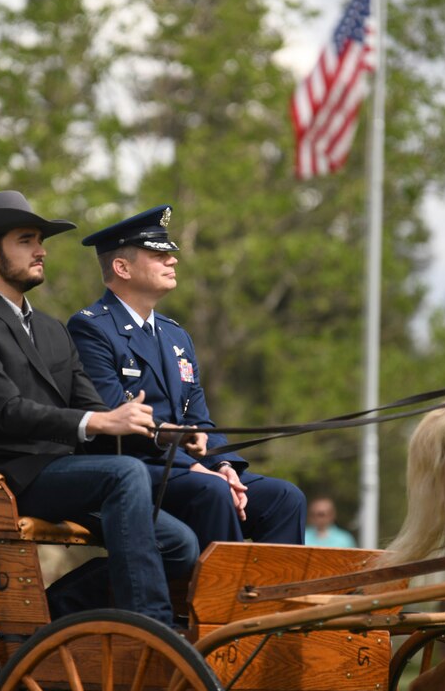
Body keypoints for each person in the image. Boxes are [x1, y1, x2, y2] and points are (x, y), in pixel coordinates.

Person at [0, 190, 198, 627]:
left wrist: (160, 431)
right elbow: (7, 412)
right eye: (26, 240)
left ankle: (59, 610)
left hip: (63, 472)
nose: (40, 251)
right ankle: (151, 626)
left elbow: (91, 406)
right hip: (5, 475)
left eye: (40, 240)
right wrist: (99, 420)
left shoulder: (52, 329)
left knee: (180, 543)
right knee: (125, 474)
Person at [68, 205, 306, 551]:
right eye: (157, 254)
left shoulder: (175, 335)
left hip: (188, 470)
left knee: (285, 497)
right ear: (122, 267)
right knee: (213, 492)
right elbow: (113, 419)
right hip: (134, 470)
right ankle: (223, 601)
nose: (172, 261)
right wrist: (195, 469)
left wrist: (222, 464)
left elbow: (198, 419)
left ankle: (276, 603)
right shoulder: (91, 328)